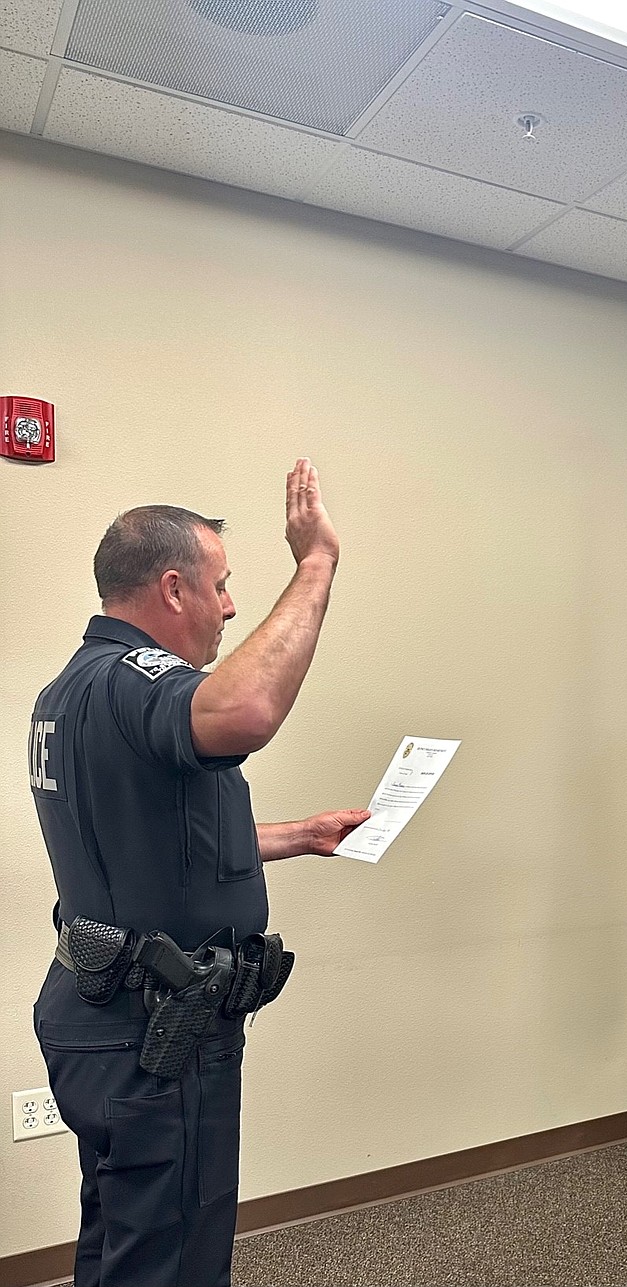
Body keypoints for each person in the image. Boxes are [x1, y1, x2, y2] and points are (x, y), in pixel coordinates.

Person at [28, 458, 370, 1287]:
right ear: (173, 589)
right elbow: (246, 709)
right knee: (174, 1256)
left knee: (121, 1237)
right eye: (219, 585)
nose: (230, 605)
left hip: (100, 1014)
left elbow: (162, 837)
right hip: (157, 1036)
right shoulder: (139, 682)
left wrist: (301, 834)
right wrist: (316, 562)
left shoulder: (69, 689)